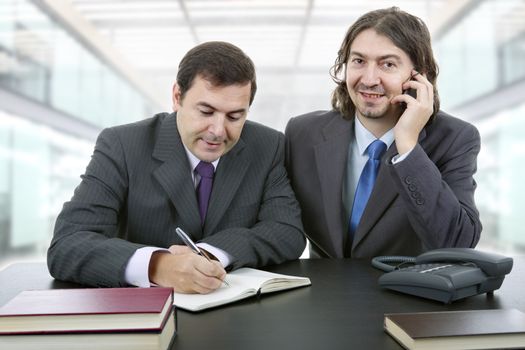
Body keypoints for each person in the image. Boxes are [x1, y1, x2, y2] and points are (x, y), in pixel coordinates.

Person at [48, 41, 306, 293]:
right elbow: (69, 244)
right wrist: (160, 266)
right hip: (144, 318)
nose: (217, 131)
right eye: (206, 111)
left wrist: (208, 255)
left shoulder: (268, 145)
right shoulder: (122, 145)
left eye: (234, 116)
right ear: (176, 97)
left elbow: (287, 232)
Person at [284, 7, 481, 258]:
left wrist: (408, 147)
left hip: (407, 292)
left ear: (421, 76)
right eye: (358, 61)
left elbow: (457, 242)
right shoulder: (302, 133)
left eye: (387, 64)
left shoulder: (455, 139)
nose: (369, 78)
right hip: (324, 292)